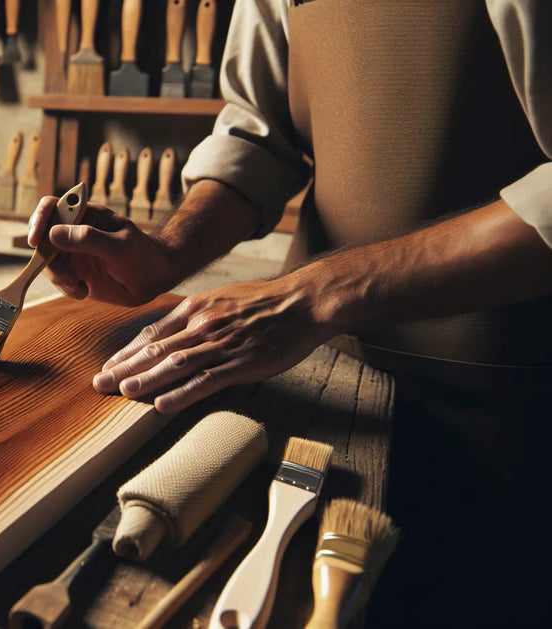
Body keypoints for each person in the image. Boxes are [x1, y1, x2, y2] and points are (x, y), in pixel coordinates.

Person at [28, 1, 550, 626]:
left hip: (508, 387)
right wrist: (171, 250)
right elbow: (258, 134)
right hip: (314, 374)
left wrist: (315, 294)